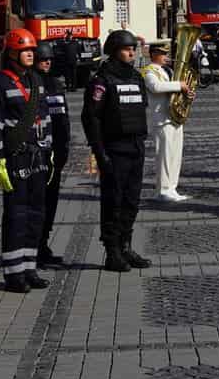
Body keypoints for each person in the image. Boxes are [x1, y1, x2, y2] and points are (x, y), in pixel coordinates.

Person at [0, 28, 52, 292]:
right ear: (12, 53)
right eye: (25, 50)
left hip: (37, 156)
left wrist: (48, 148)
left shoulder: (36, 80)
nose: (29, 54)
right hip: (15, 157)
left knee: (36, 213)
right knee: (16, 214)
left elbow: (45, 118)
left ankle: (29, 267)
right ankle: (14, 273)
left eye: (31, 50)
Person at [81, 30, 149, 272]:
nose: (131, 52)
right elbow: (92, 118)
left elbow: (140, 109)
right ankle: (112, 251)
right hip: (114, 149)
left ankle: (126, 246)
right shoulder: (102, 80)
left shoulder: (136, 77)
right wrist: (99, 152)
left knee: (132, 201)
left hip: (135, 146)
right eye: (126, 49)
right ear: (114, 51)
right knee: (113, 202)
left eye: (133, 48)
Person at [33, 42, 71, 270]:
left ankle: (44, 243)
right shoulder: (31, 83)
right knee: (37, 202)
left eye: (49, 59)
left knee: (51, 201)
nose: (46, 63)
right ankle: (34, 247)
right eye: (42, 59)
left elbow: (63, 119)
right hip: (38, 152)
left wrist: (64, 147)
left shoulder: (55, 85)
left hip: (55, 151)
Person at [142, 38, 190, 203]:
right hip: (161, 118)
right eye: (162, 53)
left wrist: (187, 93)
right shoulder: (149, 71)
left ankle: (172, 188)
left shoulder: (167, 71)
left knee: (175, 156)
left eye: (166, 53)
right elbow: (156, 87)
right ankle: (162, 189)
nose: (165, 56)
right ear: (153, 54)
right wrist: (179, 85)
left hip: (174, 117)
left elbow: (176, 89)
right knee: (164, 156)